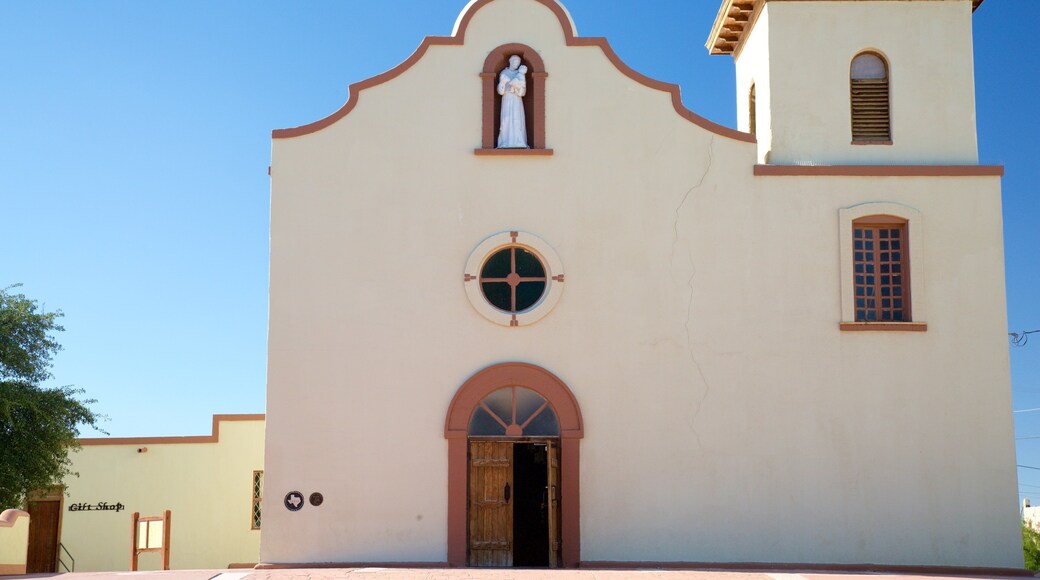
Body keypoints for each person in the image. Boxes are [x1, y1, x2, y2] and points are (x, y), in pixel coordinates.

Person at [497, 56, 528, 148]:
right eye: (515, 62)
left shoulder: (520, 74)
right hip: (507, 99)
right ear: (510, 61)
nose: (517, 64)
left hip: (516, 100)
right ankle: (505, 142)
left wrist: (517, 87)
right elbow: (500, 91)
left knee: (517, 119)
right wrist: (503, 82)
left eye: (518, 62)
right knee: (506, 120)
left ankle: (518, 141)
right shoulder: (504, 73)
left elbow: (523, 92)